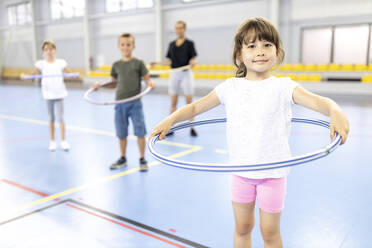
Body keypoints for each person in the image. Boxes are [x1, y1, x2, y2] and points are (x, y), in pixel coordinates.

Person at [149, 17, 349, 247]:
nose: (260, 52)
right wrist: (171, 119)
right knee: (243, 228)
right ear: (239, 55)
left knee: (269, 233)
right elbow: (195, 107)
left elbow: (318, 103)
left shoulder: (284, 87)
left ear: (277, 51)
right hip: (241, 172)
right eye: (251, 46)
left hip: (273, 174)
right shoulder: (230, 88)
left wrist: (335, 109)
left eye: (267, 45)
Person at [92, 33, 155, 171]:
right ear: (119, 46)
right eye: (123, 44)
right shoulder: (116, 65)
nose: (126, 47)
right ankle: (123, 158)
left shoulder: (138, 63)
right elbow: (113, 84)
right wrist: (100, 85)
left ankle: (142, 159)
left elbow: (147, 79)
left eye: (128, 44)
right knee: (121, 133)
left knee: (140, 132)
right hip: (120, 104)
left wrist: (150, 83)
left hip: (135, 104)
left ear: (133, 46)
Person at [21, 40, 73, 151]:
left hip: (60, 93)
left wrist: (72, 75)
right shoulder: (41, 64)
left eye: (51, 49)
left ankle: (63, 141)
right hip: (48, 94)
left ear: (55, 50)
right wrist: (24, 76)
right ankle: (52, 141)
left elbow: (70, 73)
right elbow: (32, 74)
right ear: (43, 52)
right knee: (51, 118)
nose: (49, 51)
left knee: (61, 118)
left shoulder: (61, 62)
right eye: (46, 49)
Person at [151, 21, 198, 136]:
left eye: (181, 28)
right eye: (177, 28)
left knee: (189, 102)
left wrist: (193, 62)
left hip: (186, 73)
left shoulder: (189, 43)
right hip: (174, 74)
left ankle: (192, 127)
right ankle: (170, 128)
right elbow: (169, 62)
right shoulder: (171, 44)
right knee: (173, 103)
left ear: (184, 29)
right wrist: (157, 63)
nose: (179, 30)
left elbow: (193, 59)